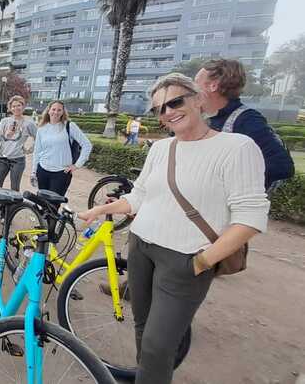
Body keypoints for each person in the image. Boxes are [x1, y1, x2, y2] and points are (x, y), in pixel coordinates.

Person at [78, 73, 269, 384]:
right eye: (159, 108)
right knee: (142, 328)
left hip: (185, 260)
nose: (168, 112)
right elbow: (139, 196)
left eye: (175, 102)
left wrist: (202, 262)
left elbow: (251, 217)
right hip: (141, 247)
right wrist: (102, 209)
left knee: (157, 345)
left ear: (198, 100)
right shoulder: (161, 149)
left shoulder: (236, 148)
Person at [195, 58, 294, 193]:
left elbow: (282, 167)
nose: (192, 88)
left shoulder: (247, 120)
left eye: (196, 82)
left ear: (213, 85)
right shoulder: (210, 118)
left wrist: (230, 180)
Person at [31, 100, 92, 196]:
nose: (56, 112)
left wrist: (77, 165)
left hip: (61, 173)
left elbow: (87, 144)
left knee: (53, 205)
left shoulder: (69, 126)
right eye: (53, 109)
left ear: (63, 112)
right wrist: (34, 171)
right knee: (43, 203)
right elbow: (37, 151)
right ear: (48, 110)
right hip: (42, 170)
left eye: (59, 110)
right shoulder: (42, 128)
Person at [0, 95, 37, 191]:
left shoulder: (29, 123)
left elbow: (39, 139)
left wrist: (29, 150)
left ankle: (14, 207)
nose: (16, 108)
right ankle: (2, 206)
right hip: (2, 158)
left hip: (18, 161)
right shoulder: (4, 121)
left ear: (23, 106)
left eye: (19, 105)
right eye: (13, 106)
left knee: (14, 189)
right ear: (10, 108)